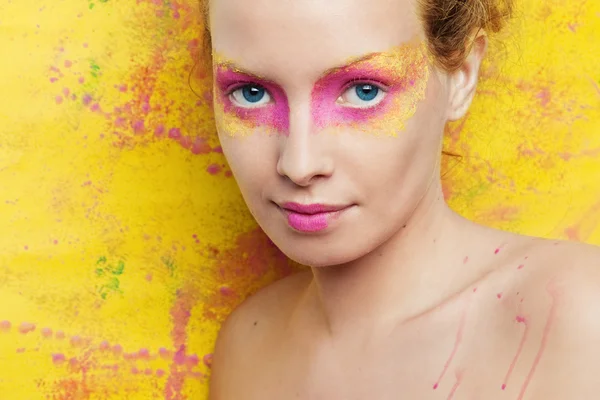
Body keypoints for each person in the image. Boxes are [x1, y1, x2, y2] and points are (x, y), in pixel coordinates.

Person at [201, 0, 600, 398]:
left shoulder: (579, 317)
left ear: (462, 75)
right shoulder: (248, 348)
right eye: (250, 93)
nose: (299, 164)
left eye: (363, 91)